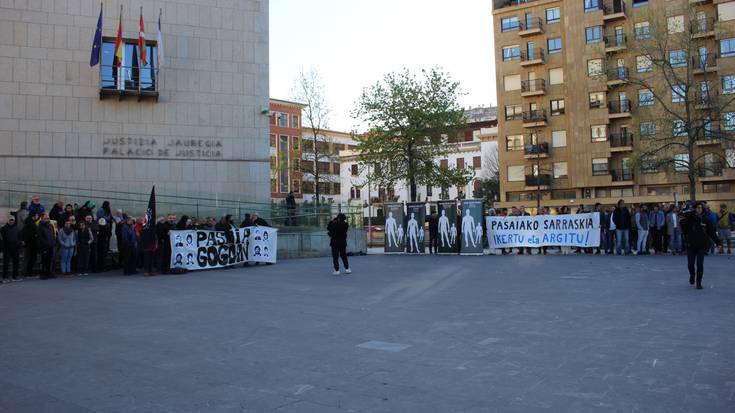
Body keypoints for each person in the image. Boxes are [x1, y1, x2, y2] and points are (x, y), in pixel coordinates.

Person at [681, 202, 720, 289]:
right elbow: (684, 229)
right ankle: (692, 275)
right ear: (694, 209)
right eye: (697, 207)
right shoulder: (689, 219)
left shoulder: (706, 219)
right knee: (690, 264)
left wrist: (718, 243)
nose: (699, 209)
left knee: (699, 264)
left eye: (701, 208)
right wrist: (687, 215)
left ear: (703, 209)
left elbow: (711, 232)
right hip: (691, 244)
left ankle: (698, 282)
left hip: (702, 245)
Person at [1, 217, 21, 282]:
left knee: (16, 262)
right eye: (10, 220)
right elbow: (2, 240)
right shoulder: (3, 229)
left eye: (13, 220)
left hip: (15, 248)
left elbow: (19, 237)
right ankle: (5, 277)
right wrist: (2, 247)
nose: (11, 221)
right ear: (7, 220)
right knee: (6, 263)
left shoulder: (16, 228)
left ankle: (15, 276)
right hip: (7, 248)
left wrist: (19, 245)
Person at [37, 214, 56, 279]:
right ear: (42, 219)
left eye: (48, 218)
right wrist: (46, 244)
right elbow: (40, 237)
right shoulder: (40, 226)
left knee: (49, 260)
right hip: (44, 247)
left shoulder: (50, 225)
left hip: (51, 246)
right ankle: (42, 274)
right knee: (43, 261)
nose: (47, 219)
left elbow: (53, 234)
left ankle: (48, 273)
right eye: (45, 218)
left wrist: (53, 242)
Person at [22, 213, 40, 277]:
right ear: (33, 216)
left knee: (30, 258)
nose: (38, 216)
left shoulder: (30, 223)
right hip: (31, 244)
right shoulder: (31, 224)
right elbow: (31, 234)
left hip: (30, 244)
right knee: (31, 258)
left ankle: (28, 272)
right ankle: (28, 273)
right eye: (37, 215)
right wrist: (36, 235)